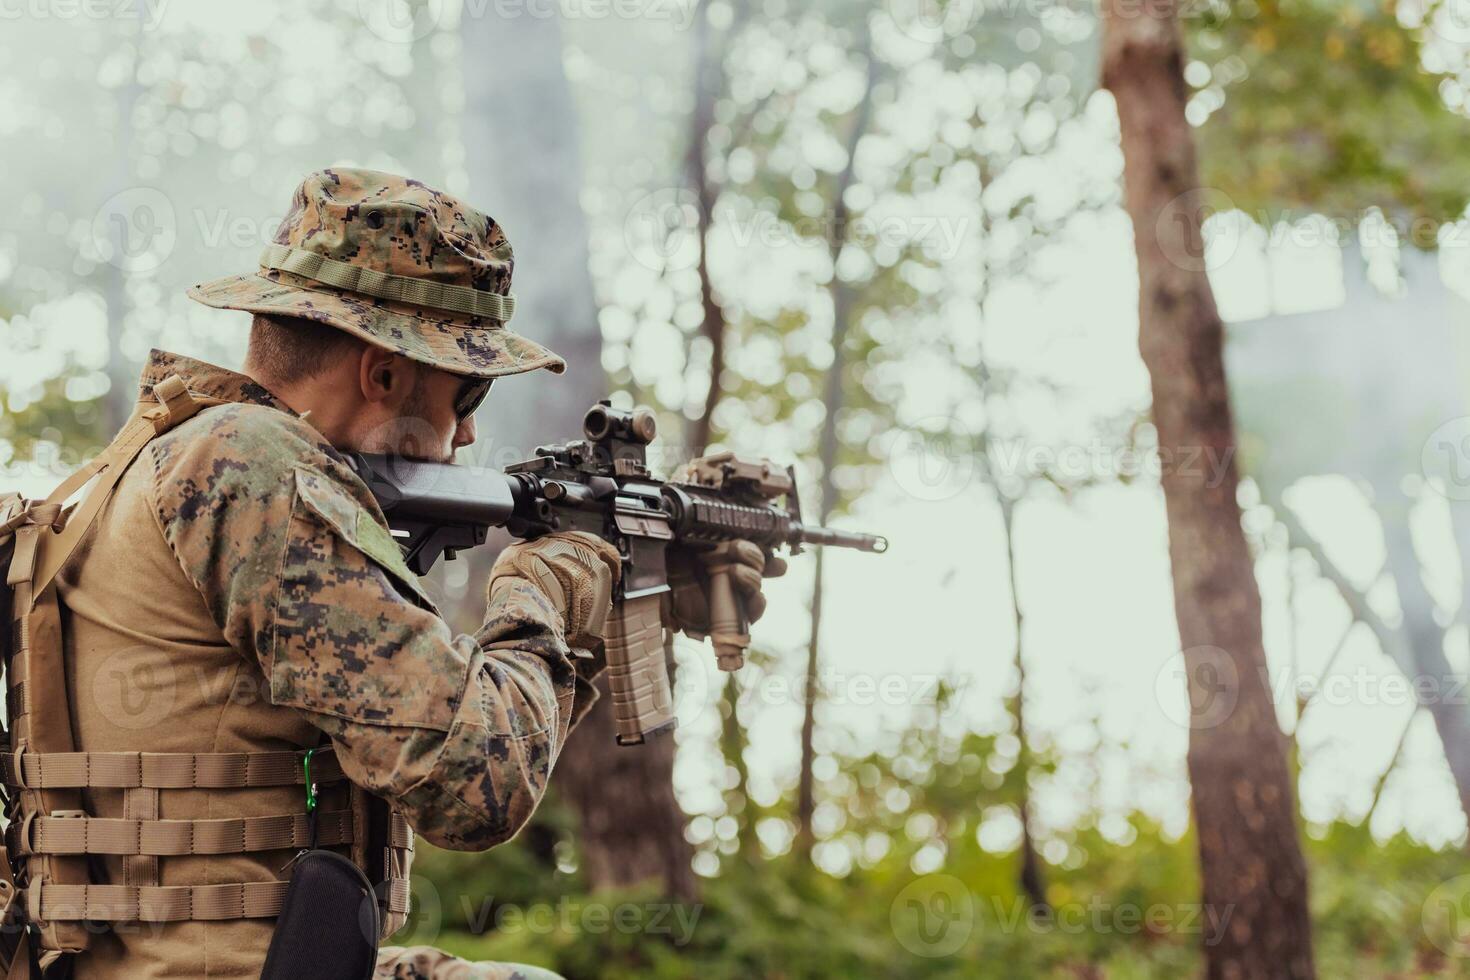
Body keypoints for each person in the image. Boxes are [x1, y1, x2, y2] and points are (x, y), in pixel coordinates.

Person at [7, 169, 777, 979]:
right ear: (383, 374)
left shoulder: (175, 457)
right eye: (467, 386)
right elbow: (475, 787)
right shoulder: (254, 466)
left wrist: (607, 607)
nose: (471, 430)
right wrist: (545, 589)